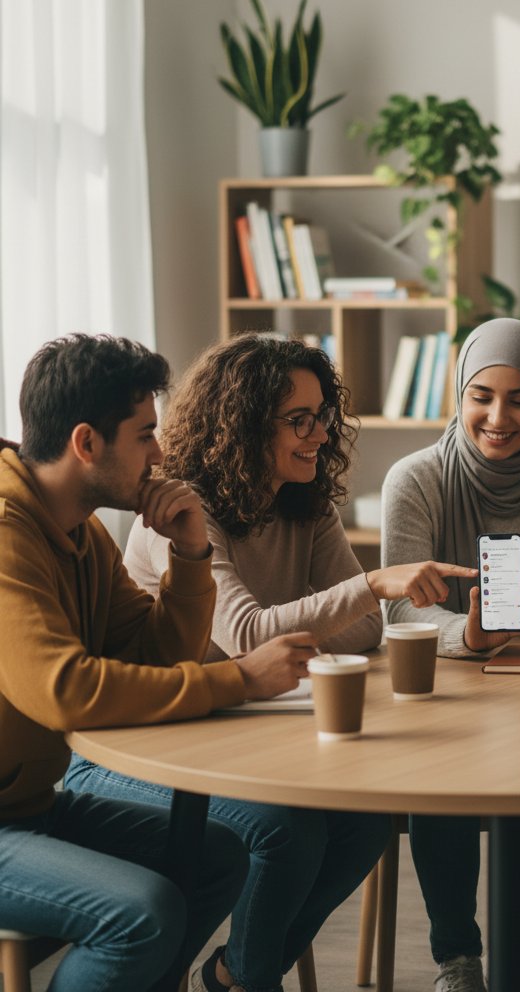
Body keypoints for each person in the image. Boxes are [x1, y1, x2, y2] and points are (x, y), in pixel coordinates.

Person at [63, 334, 476, 992]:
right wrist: (365, 586)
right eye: (299, 420)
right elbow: (251, 634)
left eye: (322, 417)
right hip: (144, 745)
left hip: (236, 730)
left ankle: (238, 973)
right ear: (245, 423)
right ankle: (249, 980)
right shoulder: (180, 516)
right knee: (288, 832)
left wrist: (324, 616)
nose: (317, 435)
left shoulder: (303, 504)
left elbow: (364, 633)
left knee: (368, 819)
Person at [0, 334, 313, 992]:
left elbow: (153, 650)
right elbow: (65, 690)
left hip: (31, 806)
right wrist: (238, 679)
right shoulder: (7, 536)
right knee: (141, 914)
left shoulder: (80, 528)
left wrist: (192, 555)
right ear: (87, 443)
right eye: (144, 436)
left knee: (215, 856)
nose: (161, 455)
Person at [381, 317, 520, 992]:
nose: (498, 417)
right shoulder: (415, 478)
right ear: (459, 392)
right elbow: (399, 611)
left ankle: (518, 950)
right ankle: (458, 960)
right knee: (438, 781)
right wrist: (471, 637)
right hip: (451, 698)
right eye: (482, 395)